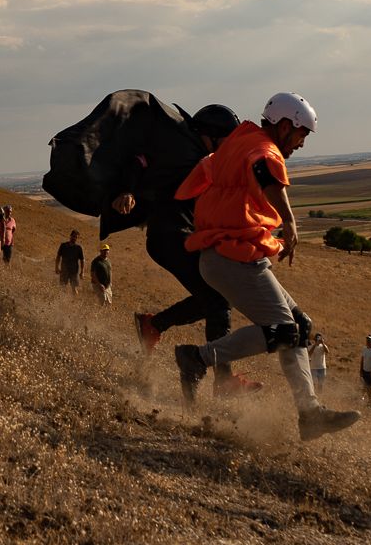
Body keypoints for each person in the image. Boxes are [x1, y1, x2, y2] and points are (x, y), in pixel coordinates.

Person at [169, 93, 360, 441]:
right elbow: (262, 168)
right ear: (285, 126)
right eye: (302, 134)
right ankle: (196, 358)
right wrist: (288, 220)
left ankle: (310, 413)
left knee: (298, 327)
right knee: (284, 331)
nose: (301, 144)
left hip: (231, 255)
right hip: (231, 258)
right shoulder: (262, 149)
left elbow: (203, 174)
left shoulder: (238, 141)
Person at [109, 101, 259, 396]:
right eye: (226, 140)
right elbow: (139, 159)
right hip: (168, 236)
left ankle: (155, 324)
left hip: (175, 236)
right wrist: (126, 189)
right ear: (212, 134)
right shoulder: (182, 149)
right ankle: (222, 379)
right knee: (217, 299)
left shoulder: (197, 156)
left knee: (214, 299)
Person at [309, 333, 330, 397]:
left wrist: (323, 343)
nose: (319, 339)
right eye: (318, 338)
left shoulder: (323, 346)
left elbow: (327, 352)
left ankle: (320, 395)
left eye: (320, 338)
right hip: (313, 368)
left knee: (321, 384)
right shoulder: (311, 346)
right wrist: (315, 345)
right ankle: (314, 395)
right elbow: (309, 353)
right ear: (315, 339)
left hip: (322, 368)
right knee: (314, 383)